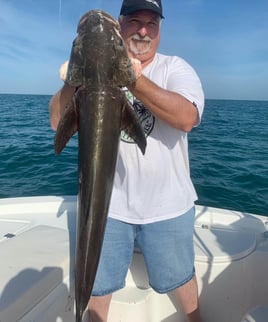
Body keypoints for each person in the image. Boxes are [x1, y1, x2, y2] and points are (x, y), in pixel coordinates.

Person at [49, 0, 205, 321]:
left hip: (168, 206)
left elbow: (187, 117)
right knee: (99, 286)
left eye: (152, 23)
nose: (143, 30)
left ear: (160, 30)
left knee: (180, 278)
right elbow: (56, 122)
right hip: (112, 208)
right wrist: (75, 79)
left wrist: (126, 76)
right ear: (121, 26)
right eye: (135, 21)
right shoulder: (81, 82)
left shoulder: (175, 68)